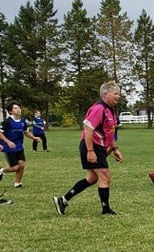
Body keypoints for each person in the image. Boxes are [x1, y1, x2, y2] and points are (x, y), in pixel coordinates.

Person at [52, 81, 123, 215]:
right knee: (104, 176)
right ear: (105, 94)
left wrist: (115, 148)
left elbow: (109, 131)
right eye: (116, 94)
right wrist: (90, 151)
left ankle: (63, 200)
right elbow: (88, 129)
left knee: (92, 178)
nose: (118, 97)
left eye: (119, 94)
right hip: (92, 146)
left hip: (99, 147)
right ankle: (106, 209)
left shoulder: (110, 110)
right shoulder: (99, 109)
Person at [0, 101, 42, 188]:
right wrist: (8, 142)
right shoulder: (7, 122)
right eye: (15, 108)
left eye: (19, 108)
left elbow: (25, 132)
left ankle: (17, 183)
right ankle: (1, 170)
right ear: (10, 111)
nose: (18, 110)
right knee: (15, 167)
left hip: (19, 146)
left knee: (22, 165)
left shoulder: (23, 121)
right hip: (9, 147)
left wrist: (34, 138)